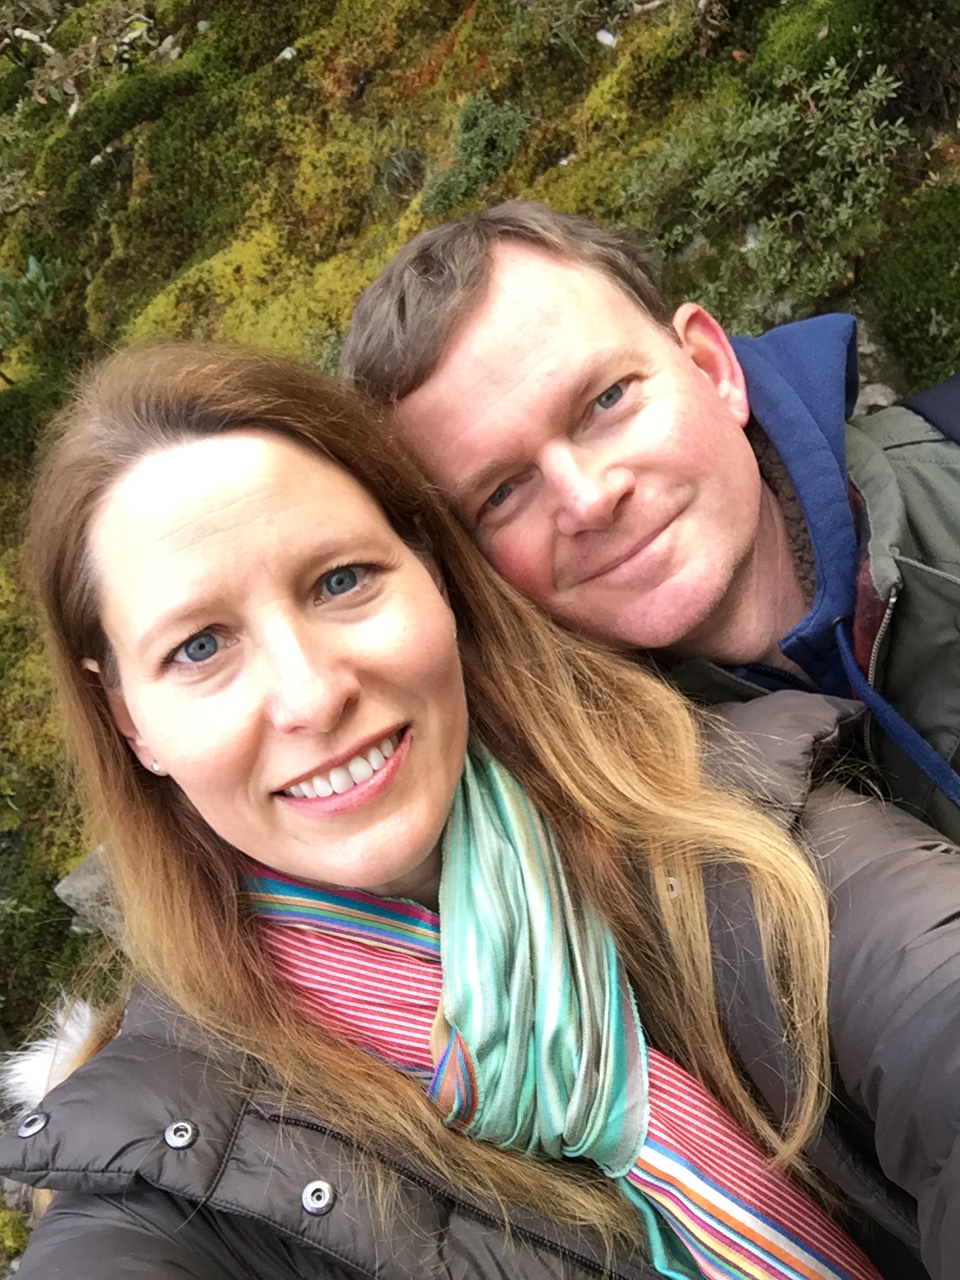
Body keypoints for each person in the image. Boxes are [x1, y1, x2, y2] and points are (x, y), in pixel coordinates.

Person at [1, 344, 957, 1280]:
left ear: (433, 572)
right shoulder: (161, 1183)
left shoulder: (730, 806)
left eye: (341, 580)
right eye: (200, 647)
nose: (312, 696)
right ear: (130, 720)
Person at [340, 200, 960, 842]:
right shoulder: (594, 832)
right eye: (501, 492)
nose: (587, 500)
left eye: (606, 400)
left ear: (712, 368)